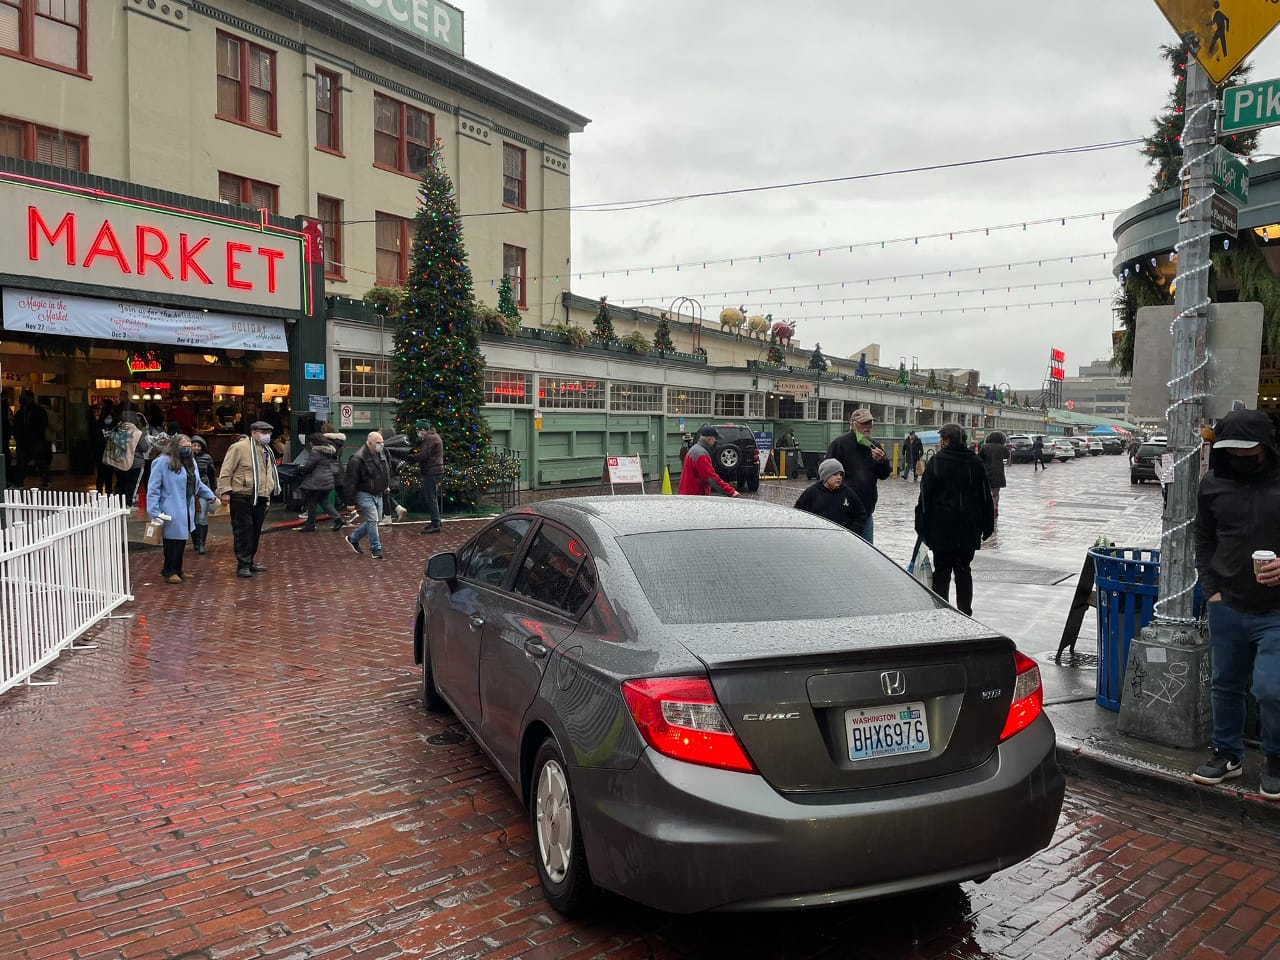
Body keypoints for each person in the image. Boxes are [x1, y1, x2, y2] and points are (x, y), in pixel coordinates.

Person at [1191, 409, 1280, 798]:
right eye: (1232, 451)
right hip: (1226, 603)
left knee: (1270, 688)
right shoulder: (1212, 483)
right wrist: (1211, 589)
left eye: (1248, 451)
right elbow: (1203, 537)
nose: (1240, 458)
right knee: (1225, 684)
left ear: (1266, 447)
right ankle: (1228, 754)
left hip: (1276, 610)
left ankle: (1276, 758)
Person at [914, 423, 995, 617]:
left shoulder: (937, 461)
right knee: (963, 570)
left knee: (941, 571)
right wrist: (987, 525)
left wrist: (921, 525)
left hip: (941, 527)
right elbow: (985, 495)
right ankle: (965, 611)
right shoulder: (974, 462)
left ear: (946, 440)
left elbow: (925, 496)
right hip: (969, 527)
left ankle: (942, 611)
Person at [147, 434, 217, 584]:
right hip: (170, 508)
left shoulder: (191, 463)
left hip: (187, 506)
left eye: (188, 447)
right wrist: (154, 511)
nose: (187, 450)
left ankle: (178, 569)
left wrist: (209, 495)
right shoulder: (162, 462)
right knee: (171, 541)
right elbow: (153, 489)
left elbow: (196, 484)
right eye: (183, 447)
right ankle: (169, 570)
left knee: (181, 540)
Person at [217, 421, 279, 578]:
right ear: (253, 432)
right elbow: (226, 469)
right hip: (242, 494)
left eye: (268, 432)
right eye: (263, 432)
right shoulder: (240, 448)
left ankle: (250, 560)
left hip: (261, 495)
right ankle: (243, 563)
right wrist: (225, 491)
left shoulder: (266, 450)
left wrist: (268, 494)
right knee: (244, 529)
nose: (266, 435)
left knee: (255, 530)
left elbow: (268, 474)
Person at [826, 408, 890, 542]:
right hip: (842, 511)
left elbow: (884, 475)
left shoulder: (874, 446)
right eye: (864, 423)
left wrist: (883, 461)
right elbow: (826, 474)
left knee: (866, 551)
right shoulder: (839, 444)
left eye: (870, 423)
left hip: (866, 511)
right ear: (853, 425)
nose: (868, 426)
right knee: (843, 548)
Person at [343, 431, 391, 559]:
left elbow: (386, 470)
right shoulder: (357, 458)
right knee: (373, 520)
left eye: (382, 442)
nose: (381, 445)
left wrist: (386, 485)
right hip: (364, 492)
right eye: (378, 442)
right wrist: (350, 502)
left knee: (375, 520)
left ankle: (354, 538)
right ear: (370, 443)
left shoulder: (382, 453)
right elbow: (351, 481)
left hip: (378, 491)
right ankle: (376, 548)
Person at [794, 458, 867, 537]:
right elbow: (797, 514)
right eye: (835, 474)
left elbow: (861, 515)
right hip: (818, 539)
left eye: (841, 474)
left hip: (843, 540)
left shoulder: (848, 493)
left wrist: (852, 533)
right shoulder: (811, 493)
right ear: (826, 475)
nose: (839, 477)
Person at [294, 432, 343, 531]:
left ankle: (310, 525)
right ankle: (338, 519)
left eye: (310, 442)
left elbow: (308, 466)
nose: (310, 444)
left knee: (312, 504)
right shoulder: (328, 451)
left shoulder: (316, 452)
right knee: (324, 502)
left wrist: (299, 468)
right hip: (327, 480)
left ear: (314, 442)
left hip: (316, 482)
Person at [103, 411, 151, 506]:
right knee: (132, 486)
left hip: (119, 462)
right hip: (135, 464)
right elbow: (144, 448)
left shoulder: (116, 429)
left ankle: (118, 504)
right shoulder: (137, 432)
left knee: (121, 484)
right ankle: (128, 504)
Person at [676, 426, 740, 497]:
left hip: (688, 494)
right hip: (694, 497)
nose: (716, 442)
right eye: (715, 440)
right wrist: (731, 491)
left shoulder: (695, 450)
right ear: (709, 439)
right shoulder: (701, 454)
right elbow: (711, 477)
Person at [410, 419, 445, 534]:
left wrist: (411, 457)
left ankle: (435, 523)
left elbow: (424, 454)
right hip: (435, 471)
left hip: (432, 471)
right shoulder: (434, 436)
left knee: (431, 498)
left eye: (418, 430)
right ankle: (436, 521)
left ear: (423, 429)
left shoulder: (429, 438)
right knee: (432, 497)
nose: (418, 433)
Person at [11, 389, 51, 488]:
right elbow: (17, 425)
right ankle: (18, 482)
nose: (22, 398)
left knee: (40, 462)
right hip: (23, 442)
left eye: (24, 396)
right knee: (21, 463)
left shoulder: (38, 411)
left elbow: (42, 425)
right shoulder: (21, 412)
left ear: (30, 398)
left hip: (35, 441)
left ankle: (46, 481)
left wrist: (35, 435)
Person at [189, 435, 216, 554]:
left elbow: (212, 474)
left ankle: (201, 544)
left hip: (203, 489)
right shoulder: (186, 458)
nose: (196, 448)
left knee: (202, 517)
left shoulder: (207, 458)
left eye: (198, 446)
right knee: (192, 518)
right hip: (190, 491)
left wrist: (212, 491)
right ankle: (195, 541)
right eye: (194, 445)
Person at [979, 431, 1009, 521]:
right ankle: (995, 507)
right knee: (996, 492)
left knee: (986, 491)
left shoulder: (984, 447)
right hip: (998, 472)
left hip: (986, 471)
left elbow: (980, 457)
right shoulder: (1003, 447)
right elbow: (1007, 456)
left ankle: (987, 508)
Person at [92, 401, 117, 495]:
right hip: (100, 454)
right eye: (107, 418)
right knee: (101, 474)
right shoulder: (98, 426)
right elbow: (96, 439)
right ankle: (99, 491)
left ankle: (109, 491)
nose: (109, 419)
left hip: (111, 454)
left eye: (110, 418)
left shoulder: (114, 426)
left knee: (109, 475)